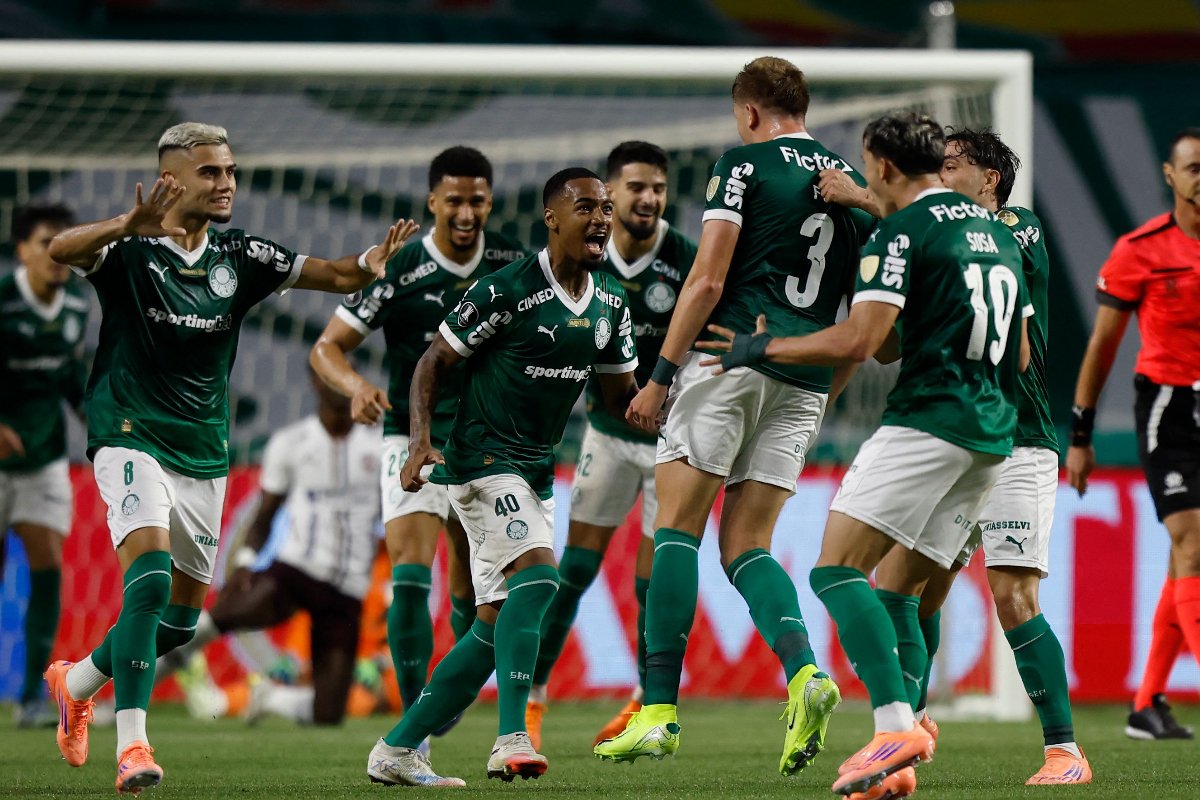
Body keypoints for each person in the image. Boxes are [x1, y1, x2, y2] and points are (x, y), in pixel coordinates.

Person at [40, 121, 418, 794]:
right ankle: (133, 748)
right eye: (211, 172)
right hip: (129, 434)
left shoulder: (240, 255)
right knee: (149, 585)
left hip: (203, 451)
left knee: (179, 624)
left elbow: (329, 274)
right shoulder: (130, 250)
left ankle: (77, 681)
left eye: (232, 172)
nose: (227, 185)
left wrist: (366, 266)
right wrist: (124, 224)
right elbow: (60, 250)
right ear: (172, 178)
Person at [699, 111, 1029, 797]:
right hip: (994, 436)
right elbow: (1015, 352)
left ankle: (891, 725)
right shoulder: (997, 235)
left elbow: (858, 341)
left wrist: (762, 346)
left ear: (879, 166)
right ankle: (896, 764)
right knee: (898, 592)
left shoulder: (904, 232)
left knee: (834, 571)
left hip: (928, 424)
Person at [595, 56, 871, 775]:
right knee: (748, 545)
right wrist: (824, 388)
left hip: (731, 356)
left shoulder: (743, 166)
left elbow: (708, 276)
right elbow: (878, 325)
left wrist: (659, 378)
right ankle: (806, 673)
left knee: (677, 531)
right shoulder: (853, 185)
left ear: (749, 112)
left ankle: (657, 712)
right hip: (806, 374)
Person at [365, 167, 638, 787]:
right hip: (481, 462)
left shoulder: (610, 306)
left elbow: (626, 402)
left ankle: (398, 748)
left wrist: (682, 411)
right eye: (587, 207)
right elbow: (432, 361)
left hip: (535, 472)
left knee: (492, 627)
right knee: (540, 581)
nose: (601, 219)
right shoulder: (506, 289)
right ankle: (512, 737)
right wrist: (419, 441)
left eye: (605, 209)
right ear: (552, 218)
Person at [311, 146, 525, 723]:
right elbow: (326, 347)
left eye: (476, 200)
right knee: (409, 570)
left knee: (475, 586)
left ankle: (452, 700)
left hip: (487, 440)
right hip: (410, 436)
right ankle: (414, 727)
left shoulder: (512, 262)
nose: (465, 212)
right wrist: (355, 386)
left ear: (489, 203)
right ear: (433, 202)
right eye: (453, 200)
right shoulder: (401, 267)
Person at [525, 141, 696, 749]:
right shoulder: (582, 251)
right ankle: (533, 699)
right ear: (611, 194)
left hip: (672, 445)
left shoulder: (687, 259)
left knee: (653, 583)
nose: (647, 199)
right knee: (573, 570)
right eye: (635, 188)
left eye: (657, 188)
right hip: (608, 434)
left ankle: (648, 703)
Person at [1067, 127, 1200, 742]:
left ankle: (1146, 703)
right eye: (1193, 167)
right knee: (1193, 544)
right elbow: (1102, 346)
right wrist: (1081, 432)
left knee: (1185, 558)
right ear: (1170, 177)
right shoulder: (1140, 249)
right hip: (1168, 409)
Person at [154, 367, 381, 726]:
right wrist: (245, 563)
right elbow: (263, 517)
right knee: (223, 616)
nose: (340, 384)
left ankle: (271, 697)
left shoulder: (379, 447)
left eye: (347, 374)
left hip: (347, 589)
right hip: (296, 570)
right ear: (316, 382)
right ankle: (134, 679)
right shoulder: (291, 443)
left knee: (329, 714)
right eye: (332, 376)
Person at [0, 204, 89, 727]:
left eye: (64, 243)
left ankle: (33, 696)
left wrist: (96, 420)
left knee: (47, 563)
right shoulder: (4, 302)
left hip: (44, 457)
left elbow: (70, 380)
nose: (57, 255)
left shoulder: (76, 307)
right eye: (45, 243)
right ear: (21, 251)